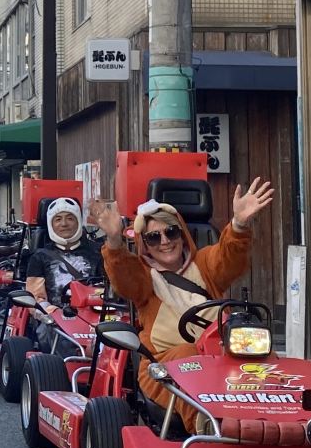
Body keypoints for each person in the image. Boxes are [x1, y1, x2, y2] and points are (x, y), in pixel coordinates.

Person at [90, 180, 275, 432]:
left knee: (264, 357)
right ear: (145, 244)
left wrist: (239, 225)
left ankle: (285, 421)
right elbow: (125, 278)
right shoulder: (144, 276)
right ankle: (208, 428)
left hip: (223, 357)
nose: (165, 241)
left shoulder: (205, 263)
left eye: (171, 232)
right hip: (164, 367)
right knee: (189, 356)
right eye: (154, 237)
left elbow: (229, 257)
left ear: (182, 233)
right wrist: (114, 240)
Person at [20, 197, 105, 306]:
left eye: (70, 218)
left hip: (93, 317)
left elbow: (109, 289)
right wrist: (51, 313)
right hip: (54, 320)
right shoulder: (39, 257)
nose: (64, 224)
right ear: (51, 224)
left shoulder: (98, 252)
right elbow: (36, 298)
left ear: (78, 221)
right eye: (58, 219)